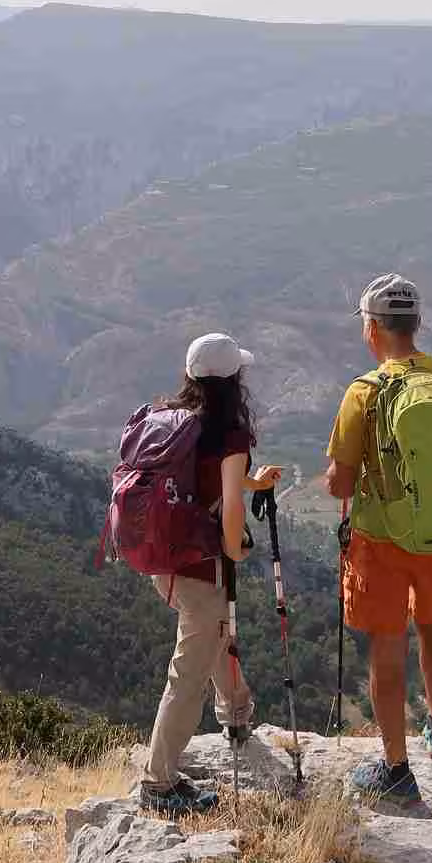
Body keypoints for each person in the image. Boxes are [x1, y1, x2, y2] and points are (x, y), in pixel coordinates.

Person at [324, 274, 432, 806]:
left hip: (380, 539)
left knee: (387, 643)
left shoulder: (365, 393)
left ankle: (396, 768)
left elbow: (339, 483)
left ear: (371, 328)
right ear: (416, 323)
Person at [139, 332, 283, 816]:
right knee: (189, 670)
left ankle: (236, 714)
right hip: (202, 566)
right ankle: (158, 783)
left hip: (166, 561)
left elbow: (208, 476)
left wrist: (251, 480)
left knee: (216, 632)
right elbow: (231, 511)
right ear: (234, 381)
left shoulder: (176, 421)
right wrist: (235, 549)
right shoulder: (231, 433)